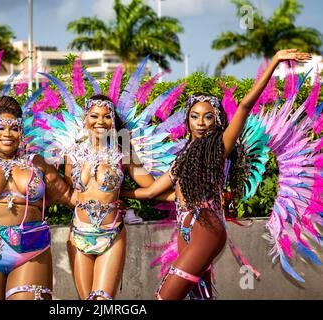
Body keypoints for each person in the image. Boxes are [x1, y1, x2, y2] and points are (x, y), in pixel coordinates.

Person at [121, 49, 312, 300]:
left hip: (206, 228)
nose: (200, 122)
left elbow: (245, 105)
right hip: (185, 230)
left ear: (217, 120)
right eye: (195, 116)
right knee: (197, 297)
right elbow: (150, 190)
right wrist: (121, 169)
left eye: (208, 117)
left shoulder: (220, 147)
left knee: (165, 296)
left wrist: (275, 60)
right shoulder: (182, 159)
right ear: (188, 120)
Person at [0, 96, 75, 300]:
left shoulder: (37, 163)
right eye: (0, 128)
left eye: (13, 128)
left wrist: (108, 204)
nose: (7, 134)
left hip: (31, 248)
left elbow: (68, 196)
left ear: (21, 131)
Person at [64, 94, 169, 300]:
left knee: (102, 300)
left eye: (106, 116)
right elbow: (71, 194)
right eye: (94, 116)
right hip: (78, 235)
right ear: (85, 119)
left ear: (113, 120)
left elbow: (151, 188)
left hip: (111, 234)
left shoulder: (124, 153)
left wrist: (182, 188)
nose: (100, 122)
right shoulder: (71, 154)